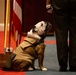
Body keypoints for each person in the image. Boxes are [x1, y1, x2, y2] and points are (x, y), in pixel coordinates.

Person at [46, 0, 76, 71]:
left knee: (61, 33)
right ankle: (74, 64)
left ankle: (62, 65)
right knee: (75, 33)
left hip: (60, 2)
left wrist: (48, 3)